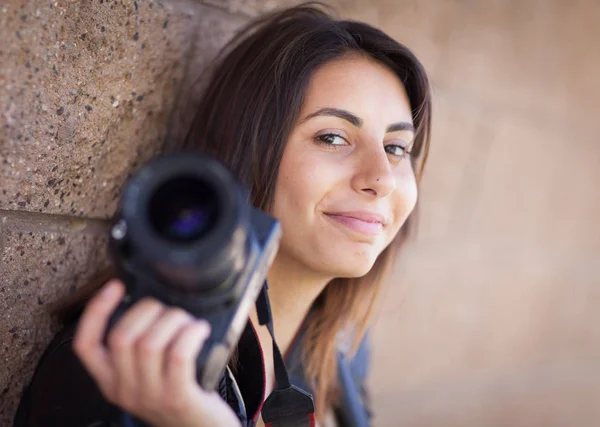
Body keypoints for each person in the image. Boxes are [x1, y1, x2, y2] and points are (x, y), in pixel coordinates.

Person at [14, 2, 431, 427]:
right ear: (248, 155)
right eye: (332, 137)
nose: (381, 177)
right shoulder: (130, 368)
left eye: (396, 148)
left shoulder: (343, 349)